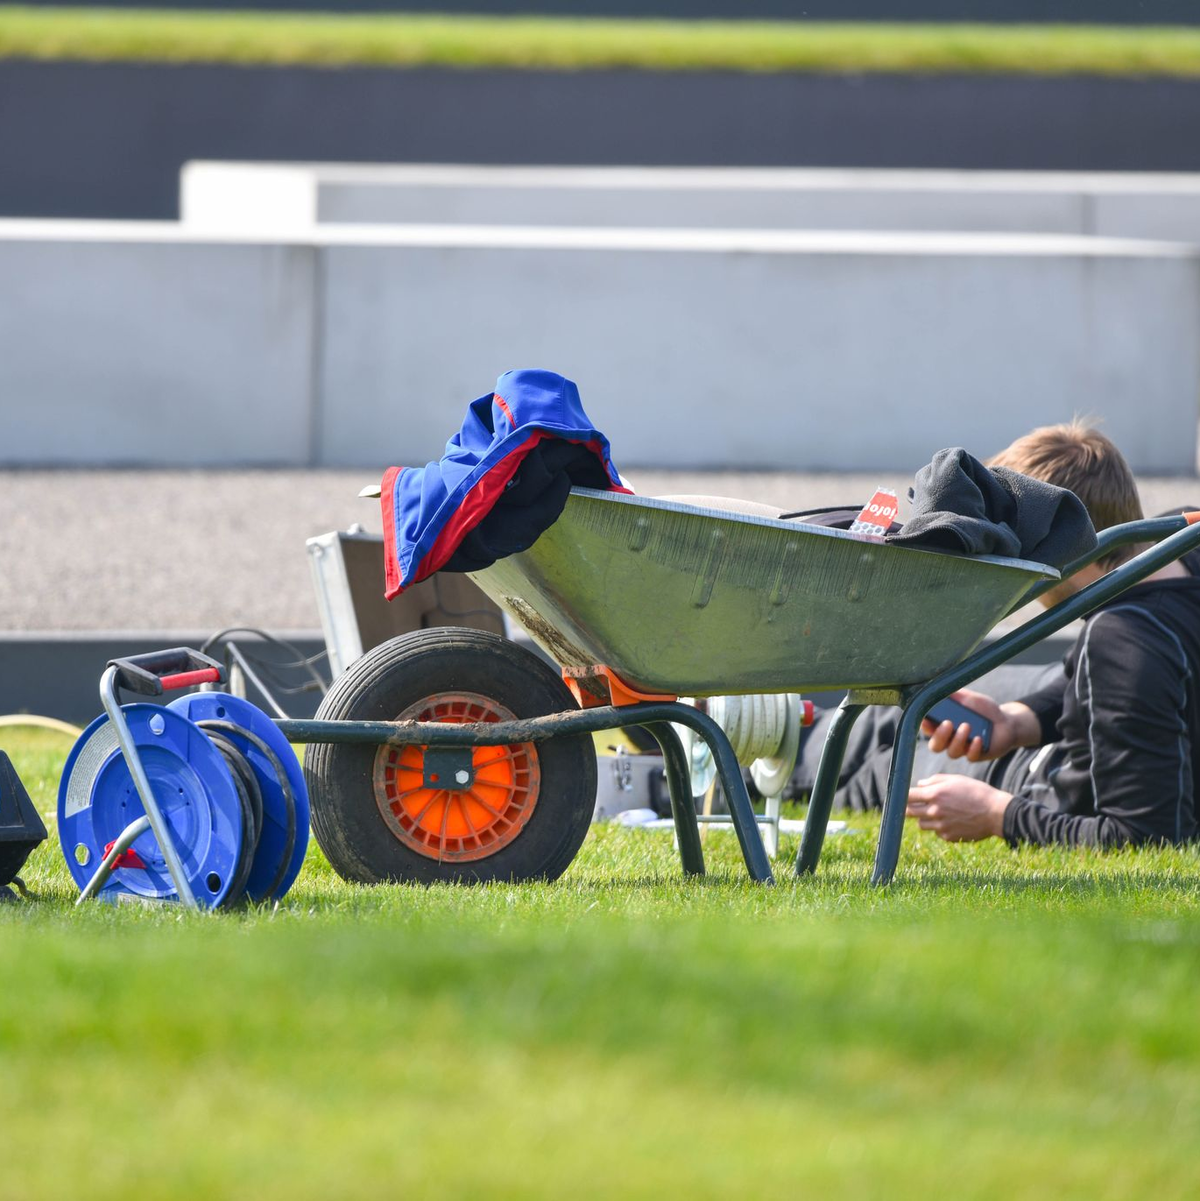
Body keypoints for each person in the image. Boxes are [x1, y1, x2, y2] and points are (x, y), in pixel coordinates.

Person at [793, 422, 1200, 850]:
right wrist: (1017, 721)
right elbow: (1141, 684)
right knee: (902, 714)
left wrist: (996, 814)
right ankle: (779, 731)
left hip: (1043, 780)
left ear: (1054, 541)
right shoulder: (1181, 548)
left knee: (892, 759)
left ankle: (761, 753)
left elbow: (1147, 836)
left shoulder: (1123, 642)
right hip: (1054, 731)